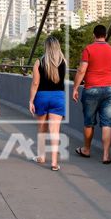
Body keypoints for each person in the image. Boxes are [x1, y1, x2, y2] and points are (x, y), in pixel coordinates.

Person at [72, 24, 111, 164]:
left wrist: (75, 88)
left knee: (89, 122)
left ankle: (86, 149)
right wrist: (108, 83)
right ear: (105, 35)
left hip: (91, 89)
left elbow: (82, 70)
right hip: (109, 89)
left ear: (94, 35)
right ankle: (106, 155)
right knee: (107, 123)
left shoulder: (88, 49)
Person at [29, 35, 66, 171]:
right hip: (58, 97)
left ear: (46, 47)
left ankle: (41, 156)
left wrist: (31, 100)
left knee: (42, 129)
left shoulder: (39, 62)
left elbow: (35, 83)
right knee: (54, 131)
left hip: (42, 97)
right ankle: (54, 162)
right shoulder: (63, 62)